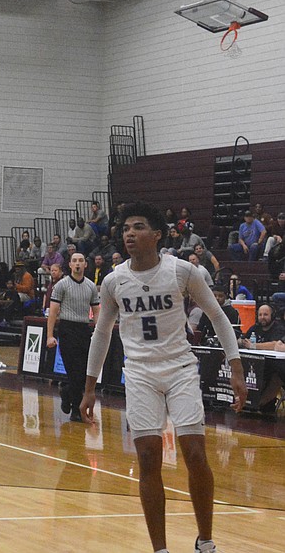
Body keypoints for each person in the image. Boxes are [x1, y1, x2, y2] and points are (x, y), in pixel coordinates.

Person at [82, 202, 245, 553]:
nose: (129, 233)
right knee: (149, 457)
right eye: (126, 228)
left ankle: (206, 541)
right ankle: (160, 549)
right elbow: (101, 334)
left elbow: (217, 316)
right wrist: (89, 388)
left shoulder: (182, 271)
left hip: (180, 368)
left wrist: (236, 367)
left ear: (157, 235)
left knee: (195, 453)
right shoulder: (114, 280)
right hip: (139, 373)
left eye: (138, 227)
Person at [46, 253, 99, 422]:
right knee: (73, 371)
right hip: (67, 330)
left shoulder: (91, 286)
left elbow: (97, 311)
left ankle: (66, 391)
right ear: (69, 265)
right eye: (74, 261)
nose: (77, 264)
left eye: (80, 261)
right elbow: (53, 312)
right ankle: (76, 411)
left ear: (85, 265)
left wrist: (99, 332)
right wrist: (49, 336)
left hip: (84, 330)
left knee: (83, 373)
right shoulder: (61, 285)